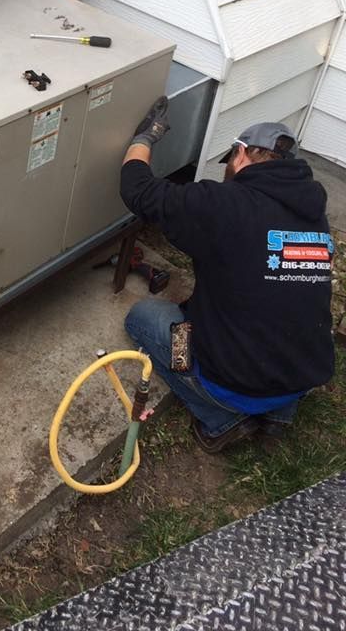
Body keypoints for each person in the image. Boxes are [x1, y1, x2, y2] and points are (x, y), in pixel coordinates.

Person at [119, 98, 335, 453]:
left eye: (230, 162)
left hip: (236, 380)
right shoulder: (313, 213)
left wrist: (144, 138)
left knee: (146, 319)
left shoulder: (223, 204)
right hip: (302, 373)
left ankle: (220, 419)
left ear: (242, 154)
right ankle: (279, 413)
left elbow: (137, 189)